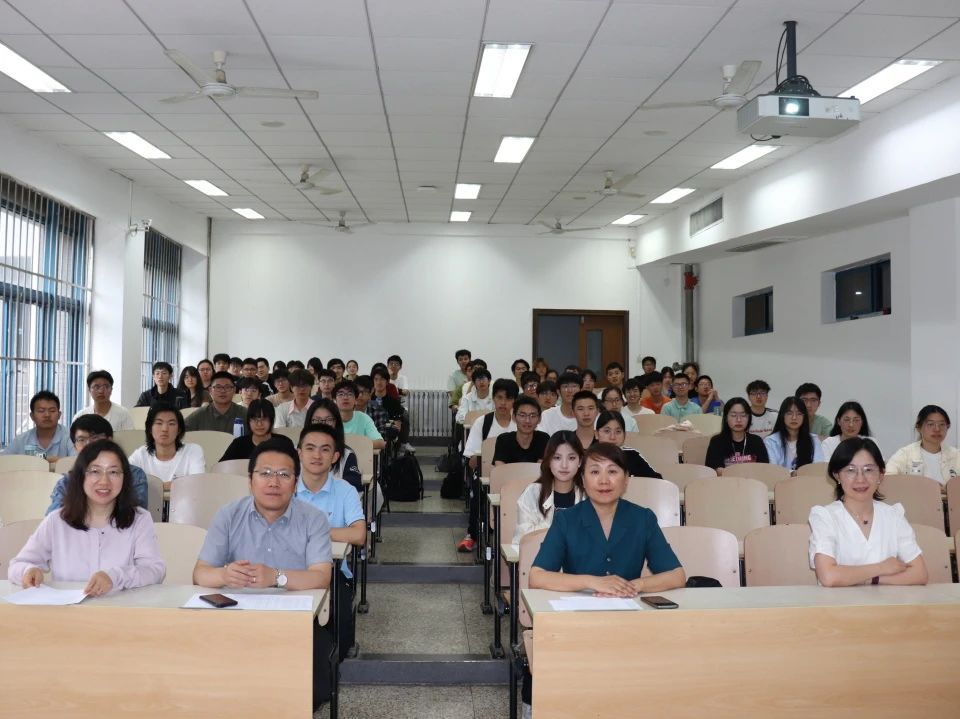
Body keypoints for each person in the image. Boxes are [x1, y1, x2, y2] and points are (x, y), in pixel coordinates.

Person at [192, 440, 333, 710]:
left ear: (295, 482)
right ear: (250, 480)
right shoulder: (228, 515)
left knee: (309, 692)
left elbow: (321, 576)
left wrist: (277, 577)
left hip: (295, 620)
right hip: (235, 618)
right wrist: (225, 575)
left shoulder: (313, 519)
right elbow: (200, 574)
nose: (273, 482)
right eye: (265, 473)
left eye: (284, 475)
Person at [9, 439, 166, 593]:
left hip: (121, 608)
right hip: (68, 609)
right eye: (95, 471)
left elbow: (154, 571)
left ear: (124, 478)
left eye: (113, 472)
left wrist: (115, 577)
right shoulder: (57, 520)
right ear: (81, 476)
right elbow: (17, 565)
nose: (104, 481)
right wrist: (27, 571)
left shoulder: (139, 519)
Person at [530, 441, 685, 594]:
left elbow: (676, 576)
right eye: (595, 472)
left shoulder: (643, 518)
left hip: (628, 604)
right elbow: (536, 577)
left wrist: (635, 586)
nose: (604, 481)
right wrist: (592, 582)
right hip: (579, 607)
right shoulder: (566, 520)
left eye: (612, 471)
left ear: (626, 479)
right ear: (583, 480)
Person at [809, 437, 928, 587]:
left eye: (868, 470)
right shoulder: (824, 516)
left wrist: (871, 579)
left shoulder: (894, 515)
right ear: (837, 475)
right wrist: (882, 568)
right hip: (838, 602)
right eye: (850, 470)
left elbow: (919, 573)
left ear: (881, 475)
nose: (860, 479)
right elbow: (829, 577)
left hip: (887, 601)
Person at [295, 423, 365, 659]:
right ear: (299, 453)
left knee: (338, 643)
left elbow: (358, 535)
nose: (317, 455)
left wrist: (313, 532)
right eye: (310, 448)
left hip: (334, 573)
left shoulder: (345, 490)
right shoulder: (284, 487)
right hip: (287, 568)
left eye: (325, 449)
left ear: (335, 457)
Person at [458, 379, 519, 553]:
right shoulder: (482, 423)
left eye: (508, 399)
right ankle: (472, 534)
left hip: (516, 476)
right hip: (488, 475)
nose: (503, 403)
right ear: (493, 399)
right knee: (479, 490)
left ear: (515, 401)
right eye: (499, 398)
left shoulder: (521, 423)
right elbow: (471, 459)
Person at [47, 414, 149, 514]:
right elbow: (54, 520)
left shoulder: (134, 475)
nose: (88, 445)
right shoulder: (66, 482)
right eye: (81, 440)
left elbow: (136, 517)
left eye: (95, 438)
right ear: (75, 447)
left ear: (110, 441)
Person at [513, 431, 584, 543]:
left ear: (580, 461)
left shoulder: (588, 496)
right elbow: (523, 537)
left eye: (571, 458)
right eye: (557, 458)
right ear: (549, 461)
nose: (564, 465)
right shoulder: (533, 493)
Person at [129, 404, 205, 483]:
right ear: (150, 429)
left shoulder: (192, 451)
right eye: (159, 423)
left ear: (179, 430)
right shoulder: (140, 455)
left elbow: (197, 483)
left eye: (171, 424)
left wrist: (154, 485)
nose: (165, 429)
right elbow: (125, 479)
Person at [885, 405, 960, 484]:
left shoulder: (956, 456)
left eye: (942, 424)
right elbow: (888, 480)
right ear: (919, 427)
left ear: (947, 427)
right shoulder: (905, 454)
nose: (937, 429)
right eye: (930, 424)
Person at [303, 399, 363, 491]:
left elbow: (354, 486)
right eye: (317, 420)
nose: (323, 425)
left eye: (329, 420)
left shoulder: (347, 454)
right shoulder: (296, 452)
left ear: (336, 423)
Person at [1, 390, 72, 465]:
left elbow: (77, 461)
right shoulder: (21, 440)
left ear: (59, 415)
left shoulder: (70, 437)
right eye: (41, 411)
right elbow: (3, 461)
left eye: (52, 411)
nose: (47, 415)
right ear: (32, 416)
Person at [705, 398, 770, 472]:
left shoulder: (756, 441)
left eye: (743, 415)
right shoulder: (717, 441)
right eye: (733, 415)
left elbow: (764, 469)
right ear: (726, 418)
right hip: (725, 479)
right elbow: (712, 470)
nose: (739, 420)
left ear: (749, 418)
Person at [220, 399, 295, 462]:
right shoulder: (238, 444)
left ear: (272, 421)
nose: (259, 424)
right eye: (254, 419)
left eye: (264, 419)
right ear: (248, 421)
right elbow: (221, 467)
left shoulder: (284, 443)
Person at [593, 410, 661, 478]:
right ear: (596, 434)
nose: (612, 437)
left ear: (624, 435)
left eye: (618, 432)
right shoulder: (590, 458)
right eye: (607, 431)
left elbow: (656, 479)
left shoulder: (632, 456)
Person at [764, 396, 825, 471]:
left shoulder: (813, 440)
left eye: (799, 414)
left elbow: (818, 467)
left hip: (808, 478)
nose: (794, 417)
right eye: (789, 413)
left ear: (804, 417)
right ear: (782, 416)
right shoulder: (771, 441)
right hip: (779, 478)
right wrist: (793, 473)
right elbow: (773, 470)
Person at [493, 396, 550, 466]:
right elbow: (500, 468)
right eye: (522, 415)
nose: (527, 420)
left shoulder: (543, 439)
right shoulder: (503, 440)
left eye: (533, 416)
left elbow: (540, 468)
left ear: (539, 419)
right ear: (514, 417)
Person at [334, 379, 385, 449]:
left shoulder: (364, 418)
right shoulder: (328, 418)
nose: (345, 397)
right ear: (334, 400)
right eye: (341, 394)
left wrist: (355, 444)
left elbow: (380, 443)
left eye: (350, 394)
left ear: (355, 400)